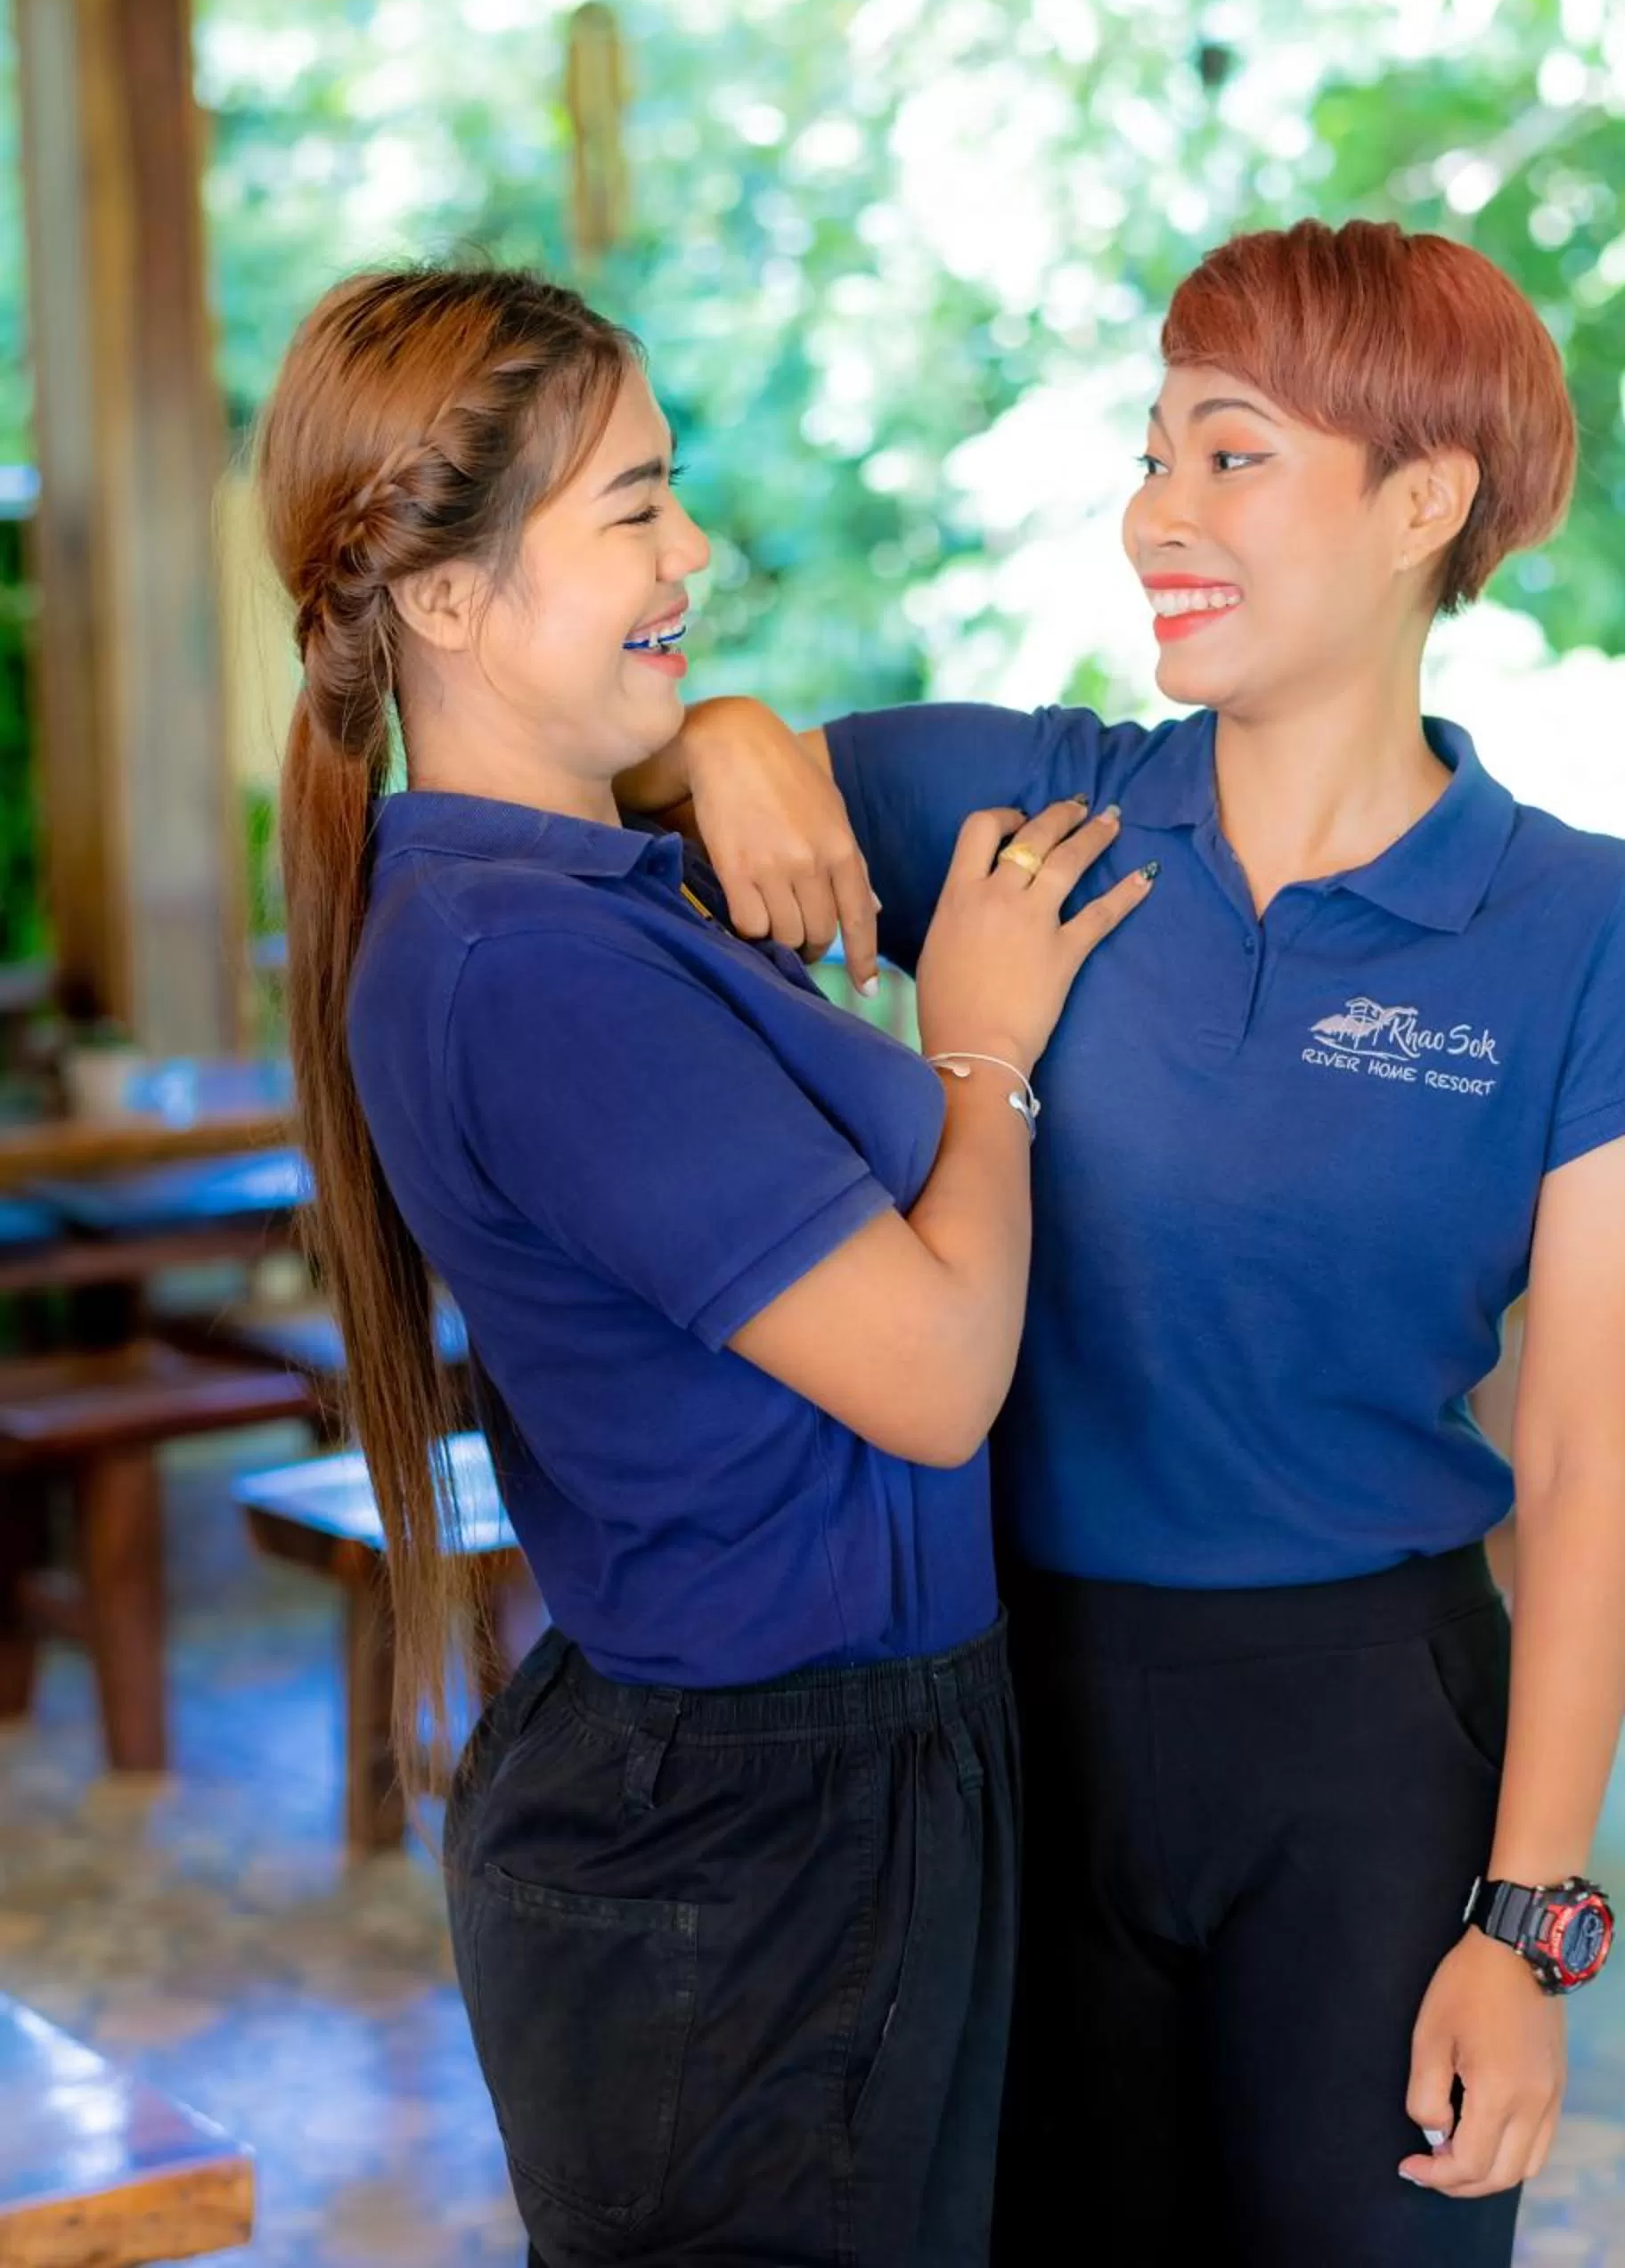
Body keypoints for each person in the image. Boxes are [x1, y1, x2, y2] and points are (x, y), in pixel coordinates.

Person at [622, 220, 1625, 2265]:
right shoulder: (1013, 814)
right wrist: (728, 735)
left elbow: (1586, 1467)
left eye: (1228, 456)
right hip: (1004, 1721)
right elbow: (621, 800)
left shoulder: (1593, 930)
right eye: (1151, 455)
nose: (1155, 515)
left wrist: (1528, 1920)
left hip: (1370, 1748)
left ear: (1423, 500)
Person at [257, 265, 1155, 2268]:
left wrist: (722, 734)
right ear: (449, 598)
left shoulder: (549, 894)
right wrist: (984, 1048)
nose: (698, 549)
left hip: (818, 1776)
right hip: (752, 1825)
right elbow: (929, 1379)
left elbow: (638, 789)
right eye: (634, 508)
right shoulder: (528, 974)